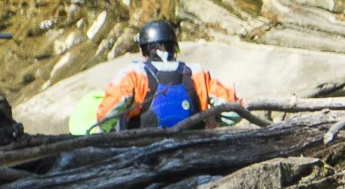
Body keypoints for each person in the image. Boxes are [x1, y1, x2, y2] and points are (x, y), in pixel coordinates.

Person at [94, 20, 240, 132]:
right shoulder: (197, 73)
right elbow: (235, 112)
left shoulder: (133, 74)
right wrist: (213, 118)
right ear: (174, 48)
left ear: (143, 50)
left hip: (142, 155)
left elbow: (105, 116)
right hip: (192, 149)